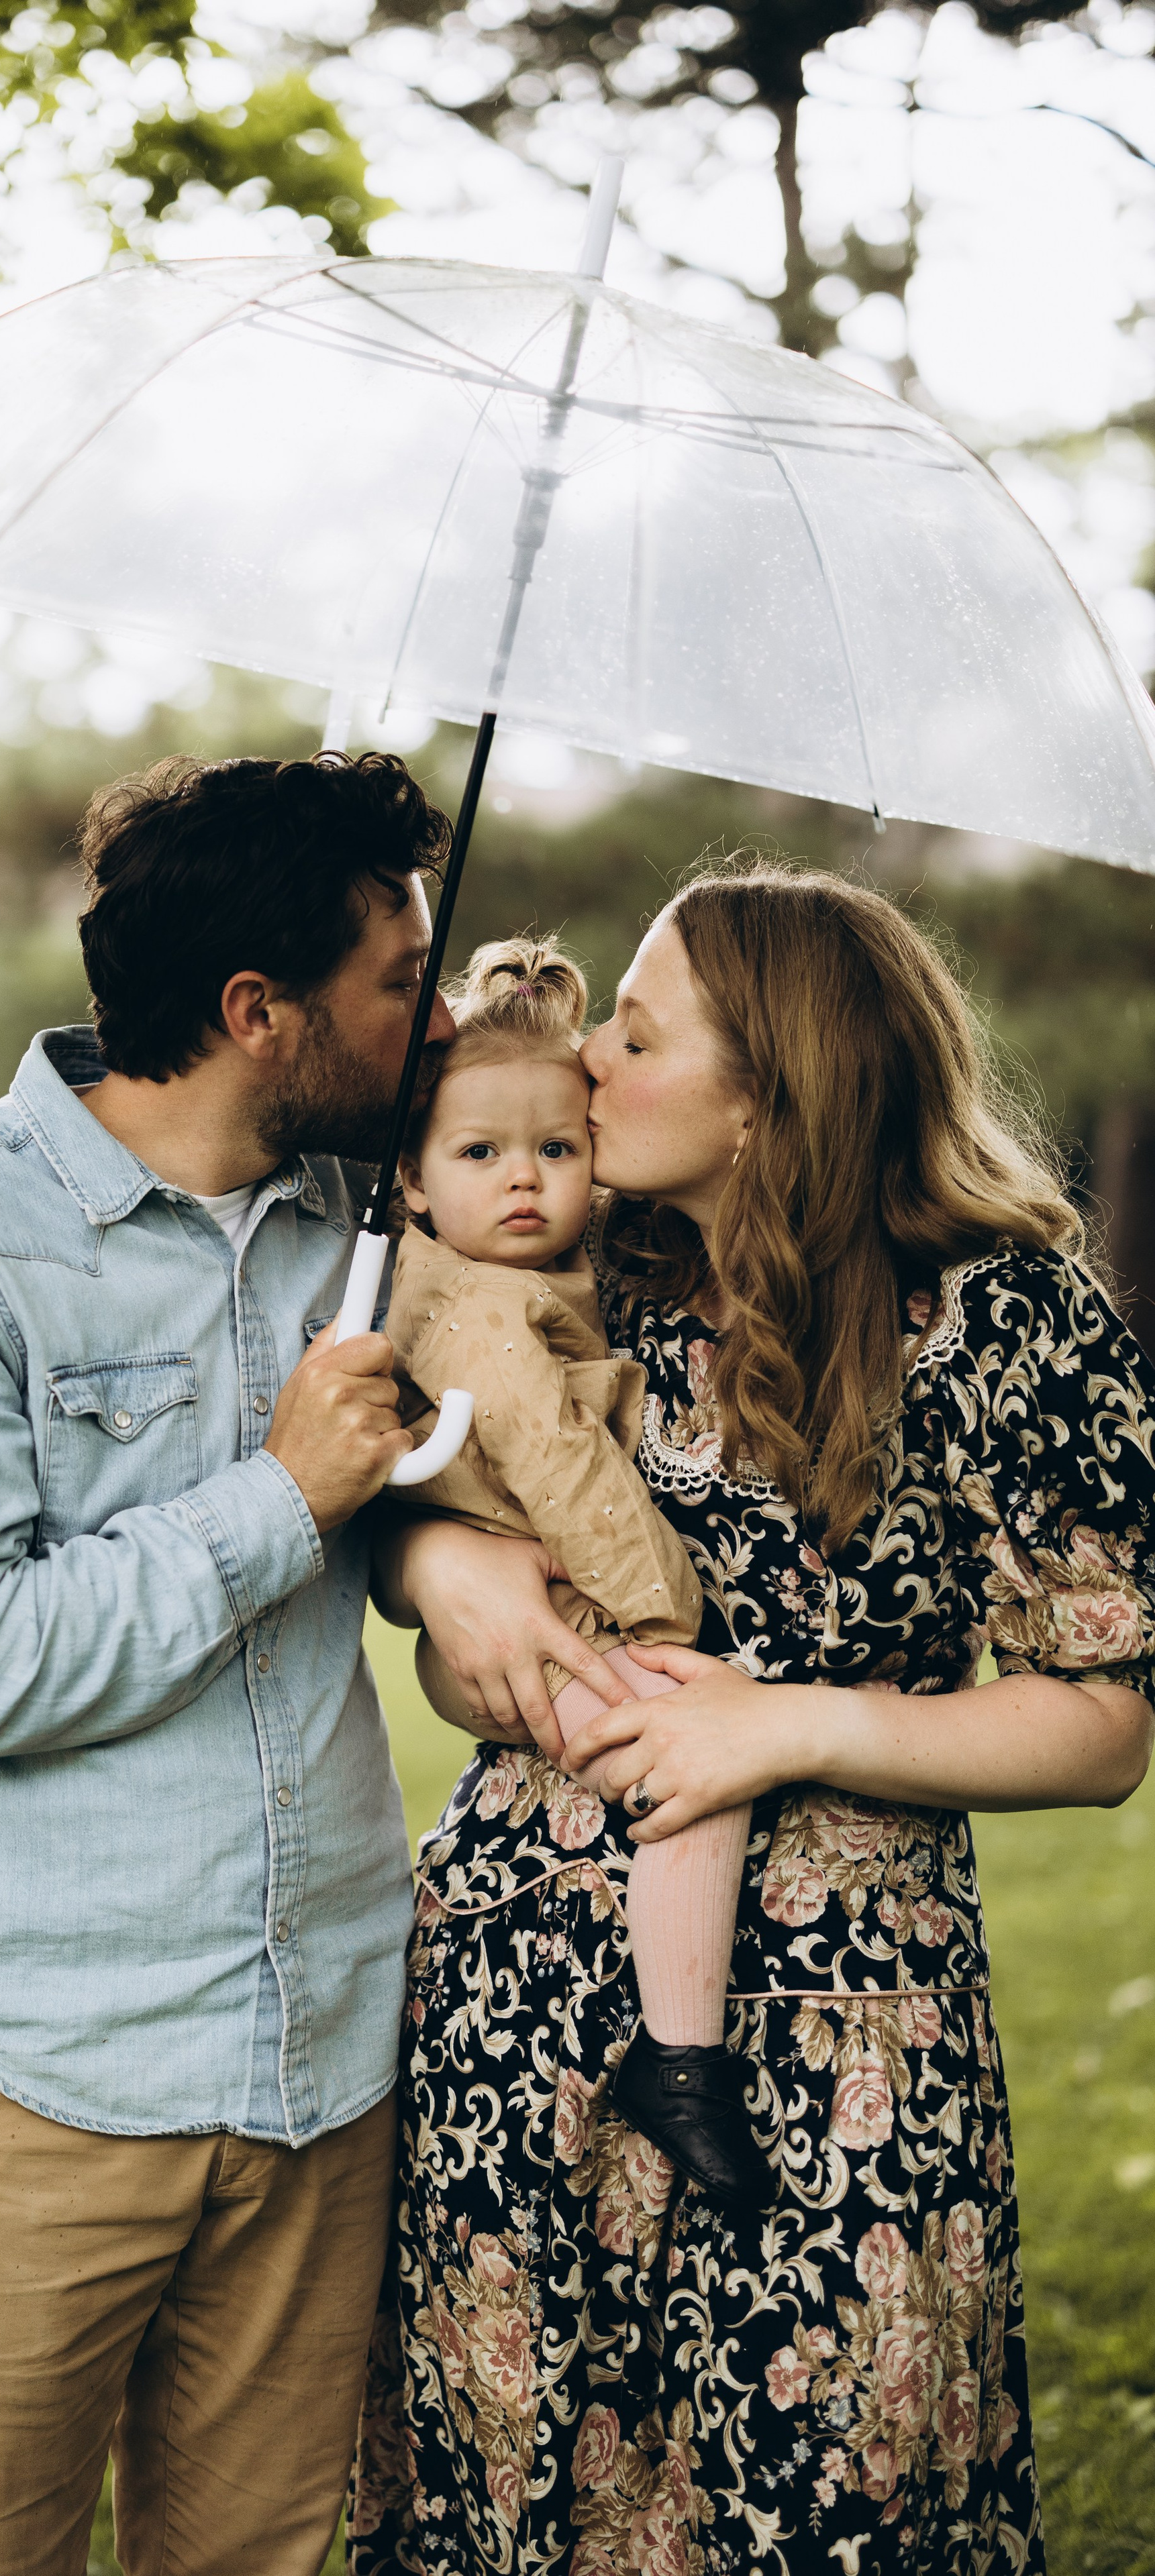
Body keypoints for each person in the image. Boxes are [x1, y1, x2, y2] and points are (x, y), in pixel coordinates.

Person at [352, 863, 1155, 2576]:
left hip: (836, 2045)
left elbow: (1100, 1722)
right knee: (513, 2508)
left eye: (634, 1040)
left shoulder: (1002, 1317)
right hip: (519, 2007)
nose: (584, 1078)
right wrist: (437, 1571)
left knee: (814, 2509)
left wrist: (785, 1725)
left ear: (763, 1092)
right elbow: (457, 1583)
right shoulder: (595, 1267)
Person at [0, 749, 514, 2576]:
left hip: (322, 2072)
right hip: (37, 2081)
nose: (435, 1024)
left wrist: (439, 1554)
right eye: (396, 981)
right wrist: (283, 1495)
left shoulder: (362, 1238)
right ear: (257, 1013)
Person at [385, 934, 768, 2208]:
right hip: (573, 1610)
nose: (528, 1182)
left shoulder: (551, 1274)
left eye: (559, 1149)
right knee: (690, 1767)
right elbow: (567, 1475)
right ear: (413, 1181)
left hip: (539, 1621)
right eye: (482, 1155)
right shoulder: (488, 1313)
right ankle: (684, 2050)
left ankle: (676, 2044)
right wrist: (669, 1609)